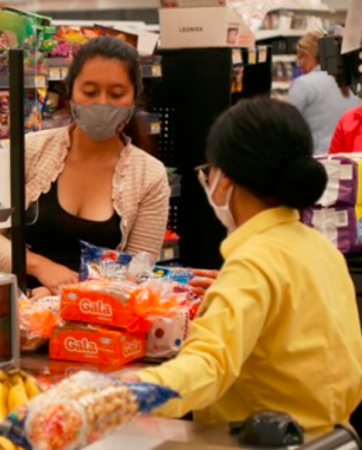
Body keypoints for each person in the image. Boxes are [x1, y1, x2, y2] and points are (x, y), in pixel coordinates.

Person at [123, 98, 362, 433]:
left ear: (225, 178)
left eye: (210, 170)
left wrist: (123, 393)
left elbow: (207, 366)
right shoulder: (323, 251)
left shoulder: (253, 262)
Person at [0, 36, 169, 294]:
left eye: (116, 94)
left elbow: (138, 271)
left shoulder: (149, 175)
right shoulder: (29, 150)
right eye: (90, 91)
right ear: (70, 91)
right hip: (18, 313)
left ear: (133, 99)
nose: (102, 103)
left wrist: (59, 294)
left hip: (96, 320)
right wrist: (40, 267)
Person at [288, 30, 358, 155]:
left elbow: (287, 128)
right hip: (349, 161)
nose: (299, 63)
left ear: (308, 55)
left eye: (300, 56)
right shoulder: (352, 82)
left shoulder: (304, 84)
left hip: (315, 161)